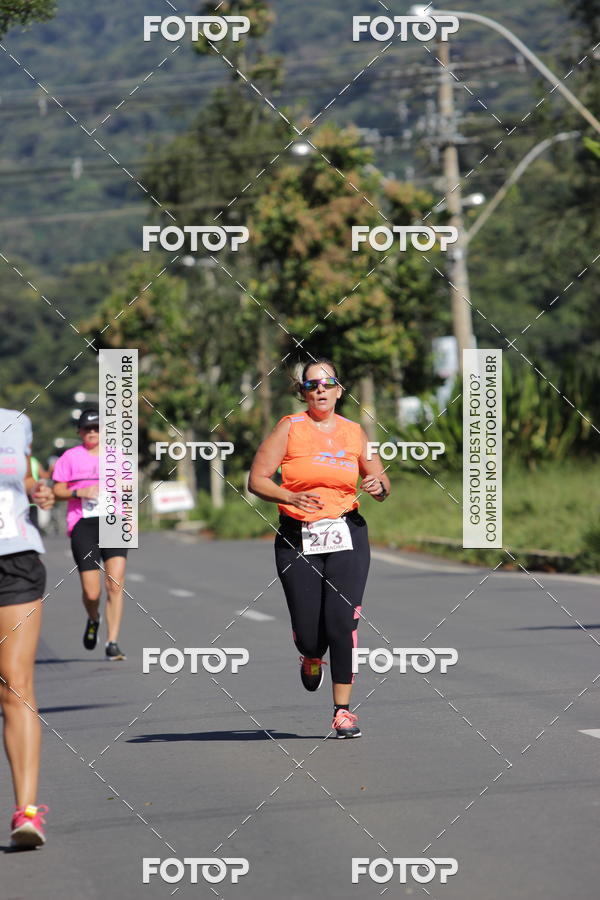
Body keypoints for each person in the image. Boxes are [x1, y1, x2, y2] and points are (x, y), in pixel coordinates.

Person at [248, 358, 390, 738]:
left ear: (339, 390)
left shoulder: (354, 432)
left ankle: (343, 711)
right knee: (311, 632)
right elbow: (257, 479)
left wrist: (377, 486)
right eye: (312, 385)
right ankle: (311, 656)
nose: (320, 390)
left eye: (327, 384)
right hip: (298, 536)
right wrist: (289, 497)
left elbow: (380, 480)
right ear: (304, 392)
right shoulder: (289, 427)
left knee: (343, 622)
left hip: (347, 532)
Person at [0, 407, 54, 847]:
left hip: (13, 559)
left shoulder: (15, 423)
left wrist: (39, 490)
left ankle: (28, 813)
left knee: (14, 685)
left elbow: (28, 475)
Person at [52, 409, 128, 661]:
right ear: (79, 431)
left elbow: (129, 489)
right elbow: (57, 490)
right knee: (92, 592)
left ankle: (112, 642)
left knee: (115, 584)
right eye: (87, 428)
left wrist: (130, 516)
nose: (92, 432)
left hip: (114, 521)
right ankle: (94, 618)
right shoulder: (70, 457)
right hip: (83, 524)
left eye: (97, 428)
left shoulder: (117, 456)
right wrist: (79, 492)